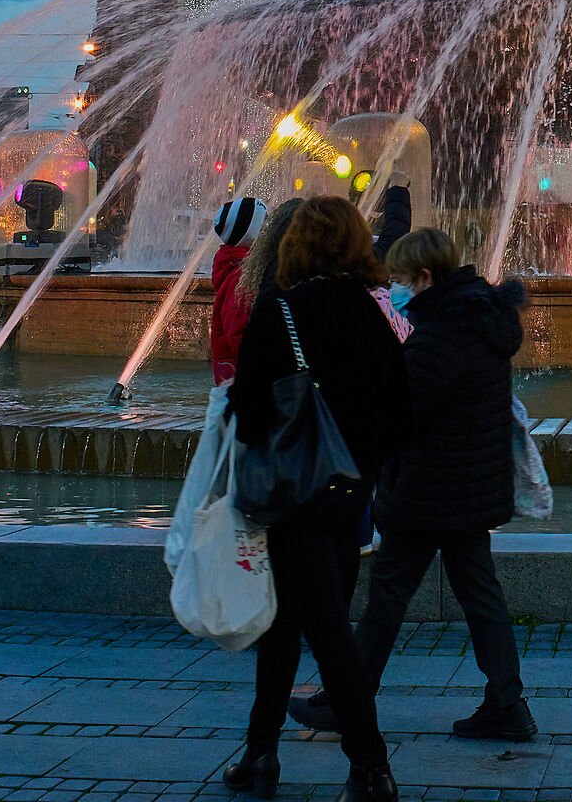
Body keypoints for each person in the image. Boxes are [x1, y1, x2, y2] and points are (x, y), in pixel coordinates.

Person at [296, 226, 534, 743]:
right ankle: (507, 703)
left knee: (388, 596)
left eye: (401, 279)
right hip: (467, 485)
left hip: (431, 488)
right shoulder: (478, 319)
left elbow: (402, 413)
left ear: (425, 278)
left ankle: (346, 700)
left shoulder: (443, 332)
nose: (395, 289)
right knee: (479, 594)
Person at [227, 196, 409, 802]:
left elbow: (247, 412)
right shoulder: (370, 313)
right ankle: (260, 751)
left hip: (294, 495)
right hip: (350, 493)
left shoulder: (281, 312)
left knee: (326, 629)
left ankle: (370, 765)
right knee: (285, 624)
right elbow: (400, 411)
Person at [206, 196, 270, 384]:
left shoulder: (246, 269)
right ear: (253, 233)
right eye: (264, 222)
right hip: (247, 388)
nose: (269, 228)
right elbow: (239, 337)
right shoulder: (241, 278)